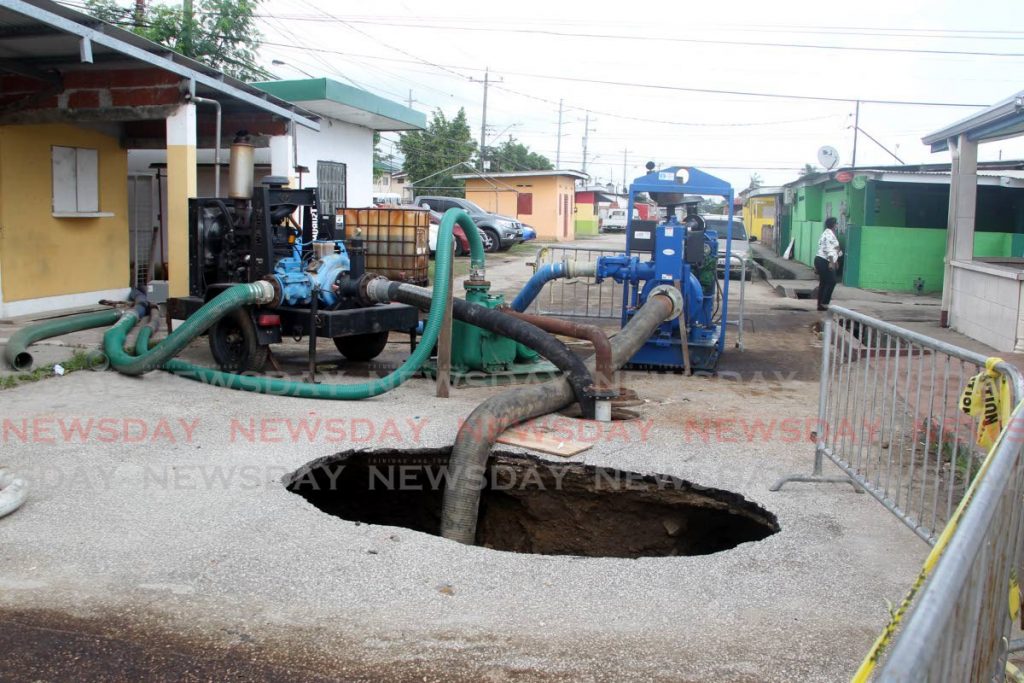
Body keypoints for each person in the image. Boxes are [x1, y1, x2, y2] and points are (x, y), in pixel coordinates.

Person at [814, 217, 842, 311]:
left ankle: (820, 305)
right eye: (836, 223)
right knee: (831, 281)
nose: (837, 225)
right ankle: (824, 303)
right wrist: (831, 262)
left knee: (824, 282)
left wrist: (836, 260)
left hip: (822, 259)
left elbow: (834, 249)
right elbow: (829, 249)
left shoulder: (827, 233)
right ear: (834, 225)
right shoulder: (829, 234)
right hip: (825, 260)